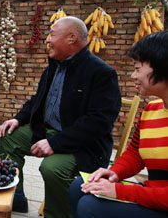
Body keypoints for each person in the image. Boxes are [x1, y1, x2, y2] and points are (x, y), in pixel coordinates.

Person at [0, 16, 121, 218]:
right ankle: (16, 197)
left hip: (84, 144)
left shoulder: (101, 73)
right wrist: (18, 119)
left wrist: (55, 143)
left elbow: (99, 123)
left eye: (52, 34)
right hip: (47, 131)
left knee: (52, 168)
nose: (47, 39)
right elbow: (38, 101)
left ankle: (58, 215)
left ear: (71, 38)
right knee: (8, 137)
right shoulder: (54, 67)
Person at [69, 31, 168, 218]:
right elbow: (135, 153)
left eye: (138, 69)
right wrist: (113, 173)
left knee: (91, 208)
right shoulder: (151, 110)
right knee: (79, 188)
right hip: (153, 193)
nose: (133, 76)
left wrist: (119, 191)